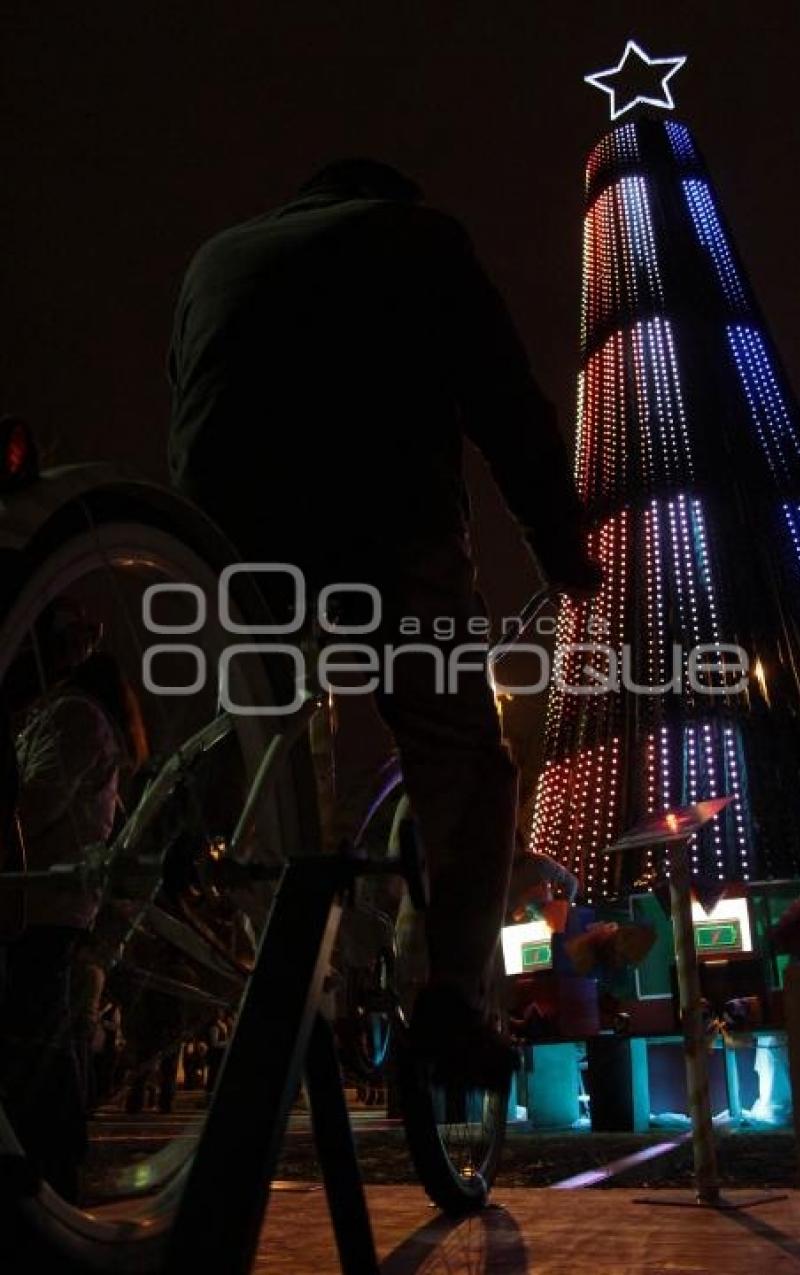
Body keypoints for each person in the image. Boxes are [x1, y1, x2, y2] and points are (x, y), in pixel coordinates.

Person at [168, 158, 601, 1086]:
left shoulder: (216, 256)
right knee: (464, 751)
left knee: (262, 729)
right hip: (385, 518)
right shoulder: (426, 239)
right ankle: (453, 1000)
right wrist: (559, 545)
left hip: (222, 527)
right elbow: (506, 406)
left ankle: (190, 848)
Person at [0, 601, 148, 1199]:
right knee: (50, 1027)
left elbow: (37, 798)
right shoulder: (91, 721)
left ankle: (52, 1159)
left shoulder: (73, 715)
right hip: (59, 898)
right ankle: (57, 1155)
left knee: (40, 1030)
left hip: (37, 893)